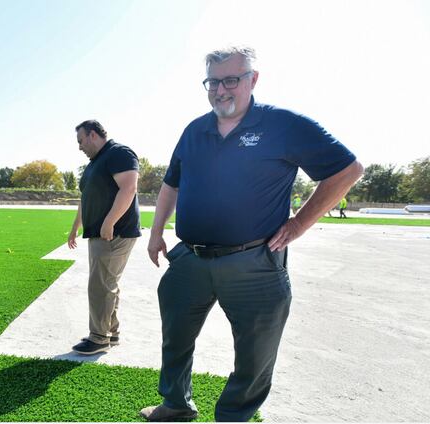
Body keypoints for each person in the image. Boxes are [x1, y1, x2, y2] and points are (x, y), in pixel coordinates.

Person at [141, 46, 363, 422]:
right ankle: (175, 405)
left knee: (255, 353)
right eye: (213, 81)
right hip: (190, 259)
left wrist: (298, 224)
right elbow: (170, 185)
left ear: (252, 80)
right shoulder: (194, 130)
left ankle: (234, 416)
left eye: (231, 80)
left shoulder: (284, 124)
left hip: (254, 263)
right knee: (175, 339)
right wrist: (156, 232)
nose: (221, 90)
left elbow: (347, 170)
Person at [67, 120, 141, 355]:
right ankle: (110, 331)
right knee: (107, 283)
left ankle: (99, 338)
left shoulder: (118, 153)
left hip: (114, 233)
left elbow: (129, 188)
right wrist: (75, 227)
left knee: (100, 285)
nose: (79, 147)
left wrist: (109, 222)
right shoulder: (94, 164)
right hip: (101, 233)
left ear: (92, 135)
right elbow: (85, 198)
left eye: (80, 141)